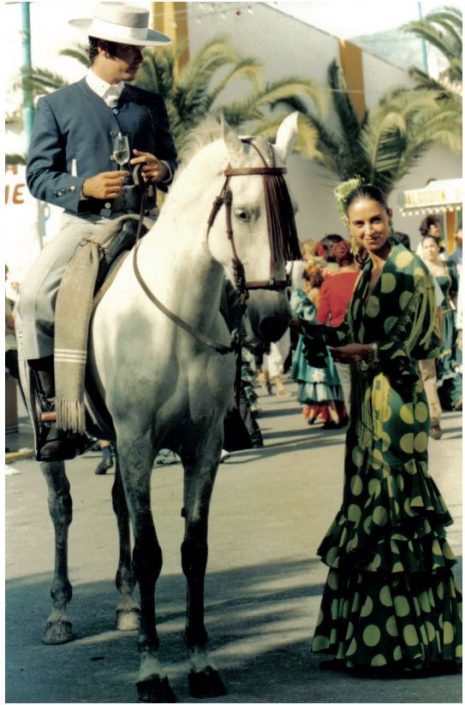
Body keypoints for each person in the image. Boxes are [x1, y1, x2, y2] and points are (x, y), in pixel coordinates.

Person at [293, 183, 461, 676]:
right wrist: (318, 328)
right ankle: (362, 641)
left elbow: (419, 341)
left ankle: (408, 647)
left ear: (390, 216)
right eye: (359, 224)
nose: (369, 231)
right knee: (367, 506)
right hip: (368, 400)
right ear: (350, 226)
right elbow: (357, 332)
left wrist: (368, 352)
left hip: (399, 406)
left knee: (396, 512)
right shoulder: (366, 268)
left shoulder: (411, 271)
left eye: (376, 221)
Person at [17, 3, 178, 461]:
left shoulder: (149, 104)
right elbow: (38, 176)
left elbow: (172, 160)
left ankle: (225, 405)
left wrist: (161, 168)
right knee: (33, 299)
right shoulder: (56, 106)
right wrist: (82, 187)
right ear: (103, 48)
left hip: (146, 221)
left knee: (219, 285)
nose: (140, 60)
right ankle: (56, 413)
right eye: (132, 51)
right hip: (86, 224)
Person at [291, 264, 347, 428]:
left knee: (320, 379)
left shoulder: (308, 296)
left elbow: (305, 318)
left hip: (314, 339)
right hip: (328, 336)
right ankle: (330, 413)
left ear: (308, 280)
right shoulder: (327, 292)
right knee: (330, 378)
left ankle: (332, 415)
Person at [316, 239, 359, 415]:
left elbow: (320, 318)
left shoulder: (329, 284)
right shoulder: (364, 278)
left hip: (340, 340)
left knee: (348, 385)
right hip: (366, 337)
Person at [419, 235, 461, 412]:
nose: (430, 249)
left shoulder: (448, 266)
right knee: (437, 358)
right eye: (426, 246)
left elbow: (455, 293)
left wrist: (460, 318)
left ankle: (457, 397)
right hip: (431, 317)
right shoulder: (420, 269)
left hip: (449, 315)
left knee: (453, 356)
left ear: (438, 247)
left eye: (433, 246)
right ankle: (441, 400)